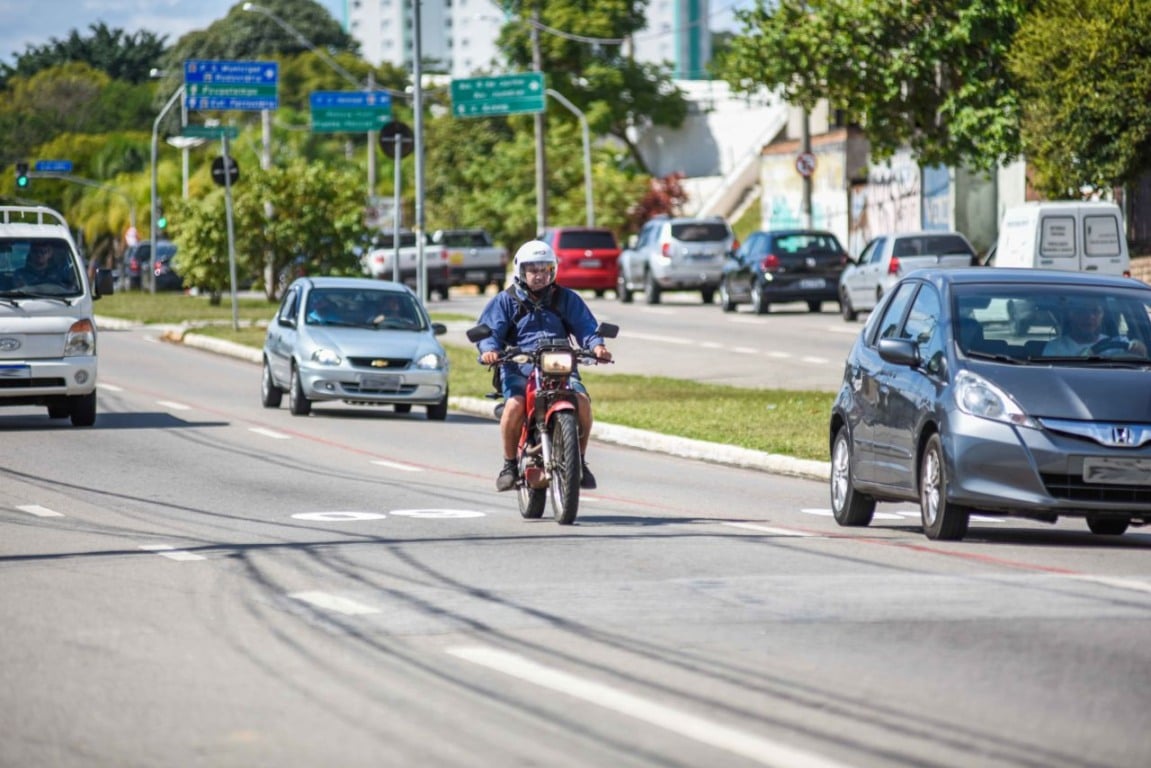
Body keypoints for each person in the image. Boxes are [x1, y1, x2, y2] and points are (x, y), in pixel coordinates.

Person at [475, 239, 612, 491]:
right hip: (519, 365)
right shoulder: (506, 301)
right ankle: (508, 465)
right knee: (515, 405)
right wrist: (490, 351)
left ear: (553, 271)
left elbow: (586, 327)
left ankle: (579, 461)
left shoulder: (566, 298)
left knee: (581, 401)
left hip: (559, 364)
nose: (539, 275)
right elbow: (489, 332)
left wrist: (597, 346)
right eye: (533, 270)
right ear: (521, 271)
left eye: (545, 269)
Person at [1043, 297, 1148, 357]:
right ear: (1072, 315)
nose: (1090, 317)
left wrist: (1139, 348)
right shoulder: (1055, 348)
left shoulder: (1121, 344)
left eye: (1095, 311)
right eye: (1082, 311)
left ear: (1102, 316)